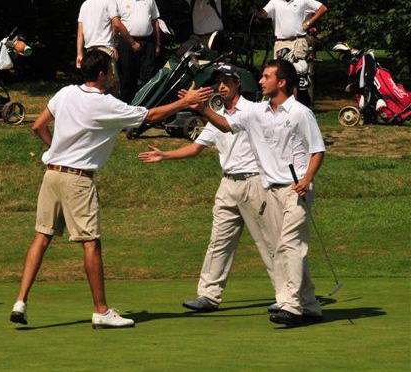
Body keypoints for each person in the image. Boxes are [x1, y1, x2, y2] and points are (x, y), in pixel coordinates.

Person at [9, 50, 211, 329]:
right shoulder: (106, 104)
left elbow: (38, 125)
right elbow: (149, 116)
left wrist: (58, 150)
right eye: (112, 72)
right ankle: (101, 311)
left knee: (41, 238)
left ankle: (20, 301)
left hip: (51, 175)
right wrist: (186, 102)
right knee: (91, 242)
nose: (115, 76)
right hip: (78, 180)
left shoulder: (65, 93)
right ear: (102, 74)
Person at [194, 59, 326, 326]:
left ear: (282, 82)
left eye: (267, 77)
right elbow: (226, 125)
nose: (262, 81)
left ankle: (291, 306)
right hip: (270, 191)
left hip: (295, 189)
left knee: (290, 245)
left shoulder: (301, 113)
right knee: (285, 247)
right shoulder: (257, 112)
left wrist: (307, 179)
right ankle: (310, 305)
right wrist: (200, 109)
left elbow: (317, 150)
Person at [138, 64, 275, 311]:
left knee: (268, 242)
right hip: (228, 184)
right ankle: (208, 296)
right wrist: (165, 155)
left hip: (254, 184)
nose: (221, 86)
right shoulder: (216, 115)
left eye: (227, 81)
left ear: (238, 84)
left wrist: (201, 109)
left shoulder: (254, 110)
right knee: (219, 242)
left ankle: (288, 295)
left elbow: (229, 125)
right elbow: (196, 148)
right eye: (218, 82)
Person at [252, 0, 328, 106]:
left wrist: (309, 22)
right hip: (280, 43)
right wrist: (255, 11)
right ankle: (280, 105)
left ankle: (303, 106)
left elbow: (323, 8)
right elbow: (264, 14)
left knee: (300, 75)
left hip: (298, 42)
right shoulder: (275, 1)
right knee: (279, 74)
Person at [76, 0, 139, 95]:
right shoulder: (109, 1)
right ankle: (110, 108)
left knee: (94, 84)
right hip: (105, 51)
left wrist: (79, 54)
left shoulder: (85, 4)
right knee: (112, 85)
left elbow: (80, 30)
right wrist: (133, 43)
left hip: (90, 52)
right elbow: (117, 24)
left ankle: (93, 107)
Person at [115, 0, 161, 103]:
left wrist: (158, 43)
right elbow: (115, 23)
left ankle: (146, 105)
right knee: (127, 75)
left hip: (148, 42)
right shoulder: (119, 1)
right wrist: (113, 44)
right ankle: (127, 106)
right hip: (126, 41)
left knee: (148, 76)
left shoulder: (150, 1)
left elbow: (155, 21)